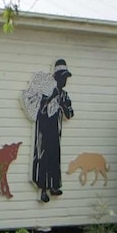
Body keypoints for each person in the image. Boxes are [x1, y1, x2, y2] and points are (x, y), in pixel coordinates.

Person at [24, 59, 74, 203]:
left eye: (66, 78)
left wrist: (64, 106)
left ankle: (54, 186)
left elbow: (70, 114)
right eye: (62, 77)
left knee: (54, 157)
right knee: (42, 157)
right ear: (56, 77)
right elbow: (40, 110)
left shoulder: (64, 95)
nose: (64, 81)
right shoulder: (45, 92)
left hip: (55, 132)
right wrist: (51, 97)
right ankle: (43, 189)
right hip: (43, 131)